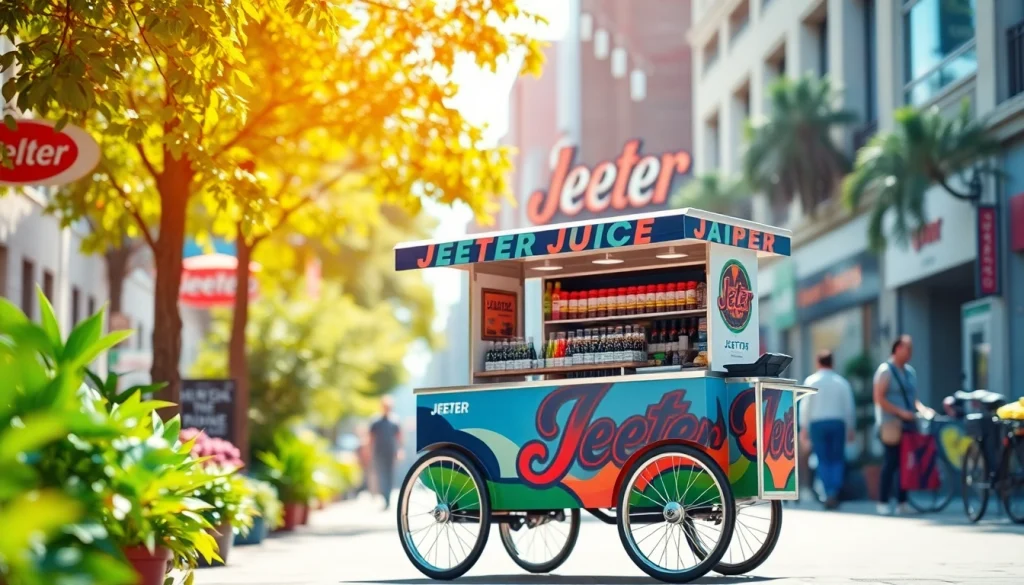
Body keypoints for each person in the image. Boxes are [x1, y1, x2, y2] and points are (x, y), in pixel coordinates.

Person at [873, 334, 934, 515]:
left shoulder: (910, 372)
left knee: (907, 462)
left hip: (909, 424)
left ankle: (902, 501)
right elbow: (879, 398)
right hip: (891, 424)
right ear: (897, 348)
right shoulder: (885, 371)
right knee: (891, 462)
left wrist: (923, 410)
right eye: (908, 349)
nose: (910, 353)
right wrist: (900, 412)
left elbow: (914, 399)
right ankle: (883, 501)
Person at [800, 350, 856, 509]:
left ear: (818, 362)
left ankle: (826, 491)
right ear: (833, 362)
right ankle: (834, 492)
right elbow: (849, 407)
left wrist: (804, 427)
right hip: (838, 423)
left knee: (822, 458)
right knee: (837, 458)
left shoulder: (812, 381)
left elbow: (805, 406)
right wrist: (851, 427)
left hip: (817, 423)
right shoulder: (841, 382)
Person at [369, 396, 403, 511]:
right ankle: (385, 498)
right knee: (381, 476)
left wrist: (400, 450)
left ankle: (388, 498)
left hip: (391, 453)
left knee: (389, 476)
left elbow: (399, 437)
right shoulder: (375, 421)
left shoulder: (395, 421)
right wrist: (369, 452)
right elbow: (371, 438)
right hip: (379, 452)